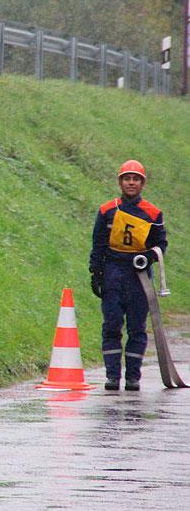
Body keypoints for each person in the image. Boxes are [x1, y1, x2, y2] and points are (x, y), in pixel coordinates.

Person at [89, 159, 167, 391]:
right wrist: (96, 273)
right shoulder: (107, 210)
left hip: (139, 276)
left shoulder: (153, 213)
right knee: (111, 325)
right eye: (127, 178)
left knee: (137, 327)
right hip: (113, 272)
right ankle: (112, 376)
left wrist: (149, 257)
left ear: (142, 183)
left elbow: (161, 245)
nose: (131, 183)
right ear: (120, 182)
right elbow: (98, 244)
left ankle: (133, 377)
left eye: (135, 179)